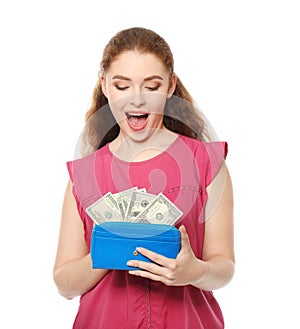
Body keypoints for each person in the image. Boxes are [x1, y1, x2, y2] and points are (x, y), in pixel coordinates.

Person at [53, 27, 235, 329]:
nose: (136, 100)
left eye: (151, 86)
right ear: (105, 85)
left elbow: (224, 266)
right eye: (122, 86)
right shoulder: (84, 176)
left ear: (170, 86)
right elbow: (65, 284)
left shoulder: (207, 163)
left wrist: (194, 272)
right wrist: (107, 249)